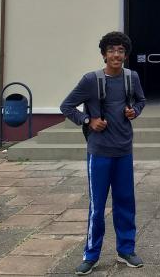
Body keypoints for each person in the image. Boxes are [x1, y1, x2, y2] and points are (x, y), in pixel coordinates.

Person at [60, 31, 147, 274]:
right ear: (104, 54)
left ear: (125, 54)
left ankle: (126, 250)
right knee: (97, 206)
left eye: (120, 50)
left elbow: (141, 101)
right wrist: (88, 120)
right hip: (99, 152)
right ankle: (91, 254)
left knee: (126, 202)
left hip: (123, 150)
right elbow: (66, 106)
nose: (116, 55)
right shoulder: (91, 80)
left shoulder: (132, 78)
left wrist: (134, 111)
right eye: (111, 50)